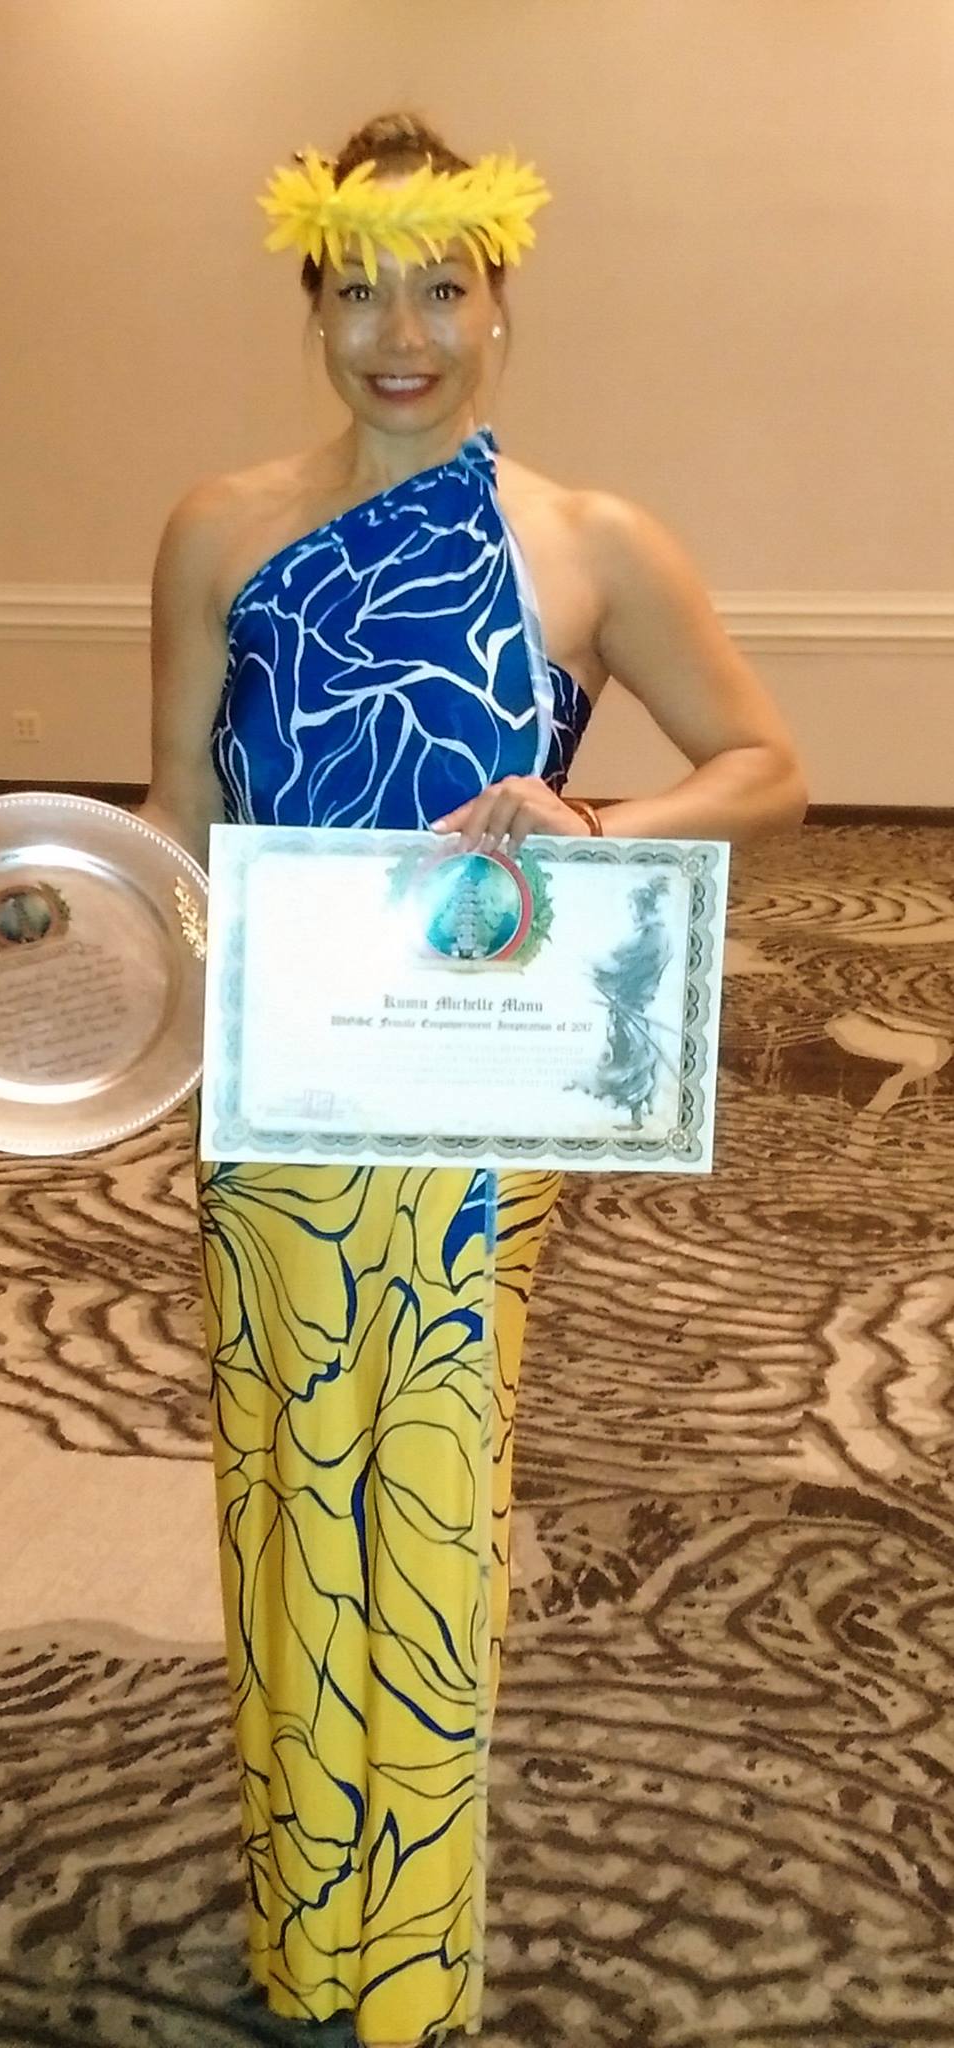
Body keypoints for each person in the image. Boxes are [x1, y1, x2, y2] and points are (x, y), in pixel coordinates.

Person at [141, 112, 806, 2048]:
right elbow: (179, 810)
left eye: (441, 285)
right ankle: (302, 1923)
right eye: (357, 290)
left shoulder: (592, 540)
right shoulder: (218, 526)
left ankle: (406, 1959)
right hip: (276, 1097)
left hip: (475, 1093)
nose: (399, 332)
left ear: (502, 293)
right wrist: (60, 918)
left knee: (428, 1497)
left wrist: (603, 819)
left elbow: (762, 765)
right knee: (282, 1486)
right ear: (311, 302)